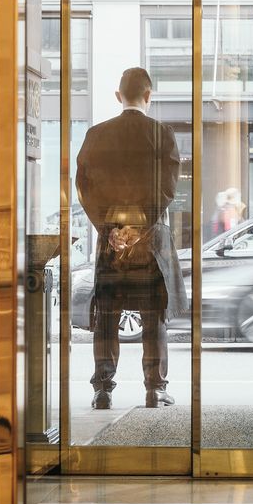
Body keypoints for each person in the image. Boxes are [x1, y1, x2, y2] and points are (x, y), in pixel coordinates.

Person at [75, 67, 186, 410]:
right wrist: (140, 227)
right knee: (154, 317)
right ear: (149, 95)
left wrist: (110, 230)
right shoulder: (162, 133)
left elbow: (84, 185)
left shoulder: (96, 134)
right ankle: (155, 389)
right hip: (150, 244)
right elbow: (167, 186)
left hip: (111, 245)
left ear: (118, 95)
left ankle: (103, 390)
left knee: (107, 316)